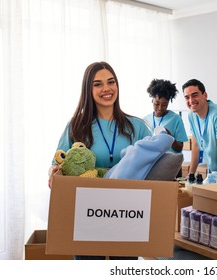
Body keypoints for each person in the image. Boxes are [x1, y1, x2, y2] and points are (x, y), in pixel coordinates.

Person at [48, 61, 151, 260]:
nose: (106, 88)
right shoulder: (76, 126)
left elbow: (152, 165)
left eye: (111, 82)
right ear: (88, 89)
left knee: (122, 266)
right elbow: (57, 163)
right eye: (97, 84)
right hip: (86, 214)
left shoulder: (137, 126)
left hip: (126, 213)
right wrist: (53, 172)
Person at [143, 79, 188, 154]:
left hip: (170, 162)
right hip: (152, 161)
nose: (160, 108)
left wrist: (170, 138)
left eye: (164, 105)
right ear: (152, 100)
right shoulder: (145, 120)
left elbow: (179, 148)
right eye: (156, 103)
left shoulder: (175, 119)